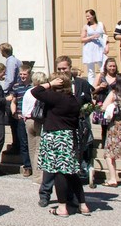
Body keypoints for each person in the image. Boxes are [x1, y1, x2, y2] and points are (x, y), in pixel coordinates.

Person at [31, 73, 91, 217]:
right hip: (70, 137)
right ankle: (83, 205)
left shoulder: (56, 98)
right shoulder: (74, 100)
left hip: (55, 137)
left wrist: (50, 84)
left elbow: (35, 91)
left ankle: (62, 207)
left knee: (59, 171)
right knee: (71, 172)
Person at [20, 71, 47, 182]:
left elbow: (24, 108)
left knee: (32, 148)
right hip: (38, 121)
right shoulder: (42, 92)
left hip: (27, 120)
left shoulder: (28, 91)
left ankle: (35, 174)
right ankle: (39, 176)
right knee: (38, 149)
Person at [9, 67, 33, 177]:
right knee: (23, 143)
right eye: (21, 74)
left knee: (33, 143)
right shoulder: (16, 86)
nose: (22, 76)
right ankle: (27, 166)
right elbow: (13, 101)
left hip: (32, 118)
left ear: (29, 74)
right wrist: (14, 113)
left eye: (24, 74)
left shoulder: (33, 86)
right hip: (20, 118)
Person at [80, 10, 107, 85]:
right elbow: (82, 39)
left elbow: (106, 36)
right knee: (91, 69)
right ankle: (92, 86)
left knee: (103, 66)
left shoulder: (101, 24)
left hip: (100, 47)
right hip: (89, 48)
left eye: (88, 16)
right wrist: (92, 37)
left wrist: (107, 46)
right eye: (86, 16)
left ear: (93, 15)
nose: (87, 18)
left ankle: (104, 82)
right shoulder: (86, 27)